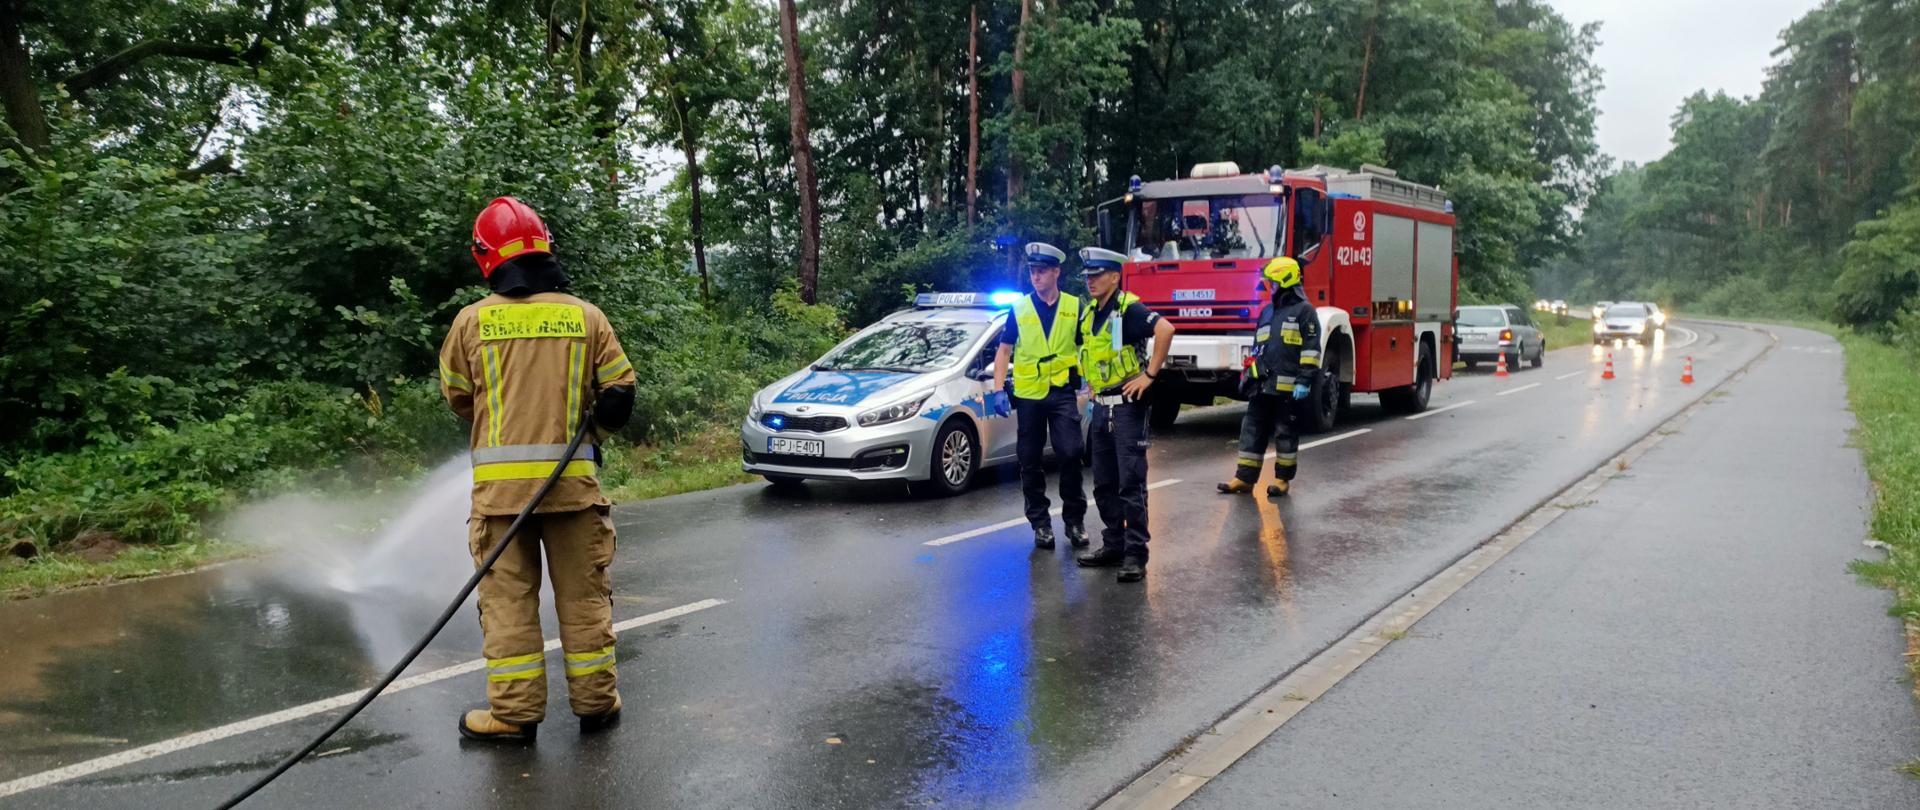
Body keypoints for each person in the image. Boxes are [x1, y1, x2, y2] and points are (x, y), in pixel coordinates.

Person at [438, 197, 636, 742]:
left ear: (486, 255)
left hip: (501, 501)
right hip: (574, 493)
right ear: (545, 248)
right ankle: (596, 703)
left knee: (508, 606)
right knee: (585, 599)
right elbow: (620, 394)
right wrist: (591, 430)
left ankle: (514, 715)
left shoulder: (470, 322)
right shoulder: (586, 317)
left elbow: (458, 397)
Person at [1072, 247, 1175, 583]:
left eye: (1097, 275)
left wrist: (1150, 375)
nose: (1090, 281)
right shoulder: (1090, 313)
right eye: (1087, 276)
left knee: (1131, 483)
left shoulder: (1128, 309)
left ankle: (1135, 554)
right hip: (1101, 408)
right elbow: (1089, 354)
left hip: (1128, 408)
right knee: (1104, 483)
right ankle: (1114, 545)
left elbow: (1166, 330)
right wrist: (1089, 386)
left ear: (1115, 277)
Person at [988, 242, 1089, 550]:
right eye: (1032, 271)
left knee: (1071, 453)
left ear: (1056, 272)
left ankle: (1075, 521)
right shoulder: (1019, 309)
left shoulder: (1074, 306)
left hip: (1062, 391)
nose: (1036, 276)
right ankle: (1041, 524)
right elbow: (1004, 350)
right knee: (1029, 460)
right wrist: (998, 389)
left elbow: (1087, 345)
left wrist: (1092, 381)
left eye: (1042, 271)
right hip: (1029, 395)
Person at [1218, 257, 1321, 497]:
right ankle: (1244, 478)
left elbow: (1311, 349)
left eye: (1273, 282)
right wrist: (1250, 372)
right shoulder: (1267, 312)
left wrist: (1304, 381)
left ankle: (1282, 480)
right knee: (1251, 428)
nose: (1270, 286)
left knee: (1285, 431)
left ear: (1285, 281)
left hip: (1289, 388)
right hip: (1262, 385)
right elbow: (1259, 348)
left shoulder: (1305, 311)